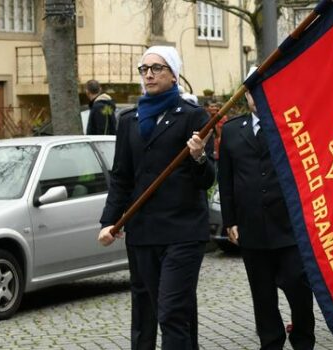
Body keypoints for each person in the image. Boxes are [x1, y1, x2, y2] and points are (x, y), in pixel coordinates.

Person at [97, 46, 215, 350]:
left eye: (157, 68)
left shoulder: (193, 117)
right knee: (146, 309)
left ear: (174, 76)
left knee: (171, 309)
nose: (149, 74)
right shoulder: (129, 120)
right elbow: (121, 176)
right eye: (144, 68)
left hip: (183, 231)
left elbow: (207, 179)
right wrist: (110, 220)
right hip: (143, 230)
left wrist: (199, 156)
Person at [217, 68, 316, 349]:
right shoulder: (234, 130)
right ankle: (270, 341)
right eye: (253, 91)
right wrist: (230, 220)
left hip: (290, 227)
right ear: (247, 95)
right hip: (252, 228)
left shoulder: (292, 126)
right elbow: (226, 179)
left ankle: (303, 338)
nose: (258, 96)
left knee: (298, 287)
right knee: (262, 294)